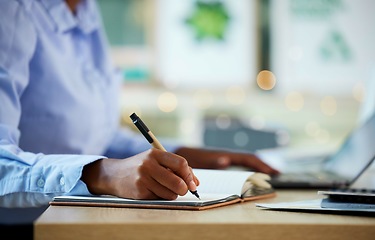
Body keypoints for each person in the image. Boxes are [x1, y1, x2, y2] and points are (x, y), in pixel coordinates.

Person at [0, 0, 279, 204]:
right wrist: (103, 175)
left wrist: (180, 153)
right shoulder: (11, 13)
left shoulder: (85, 11)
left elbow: (95, 138)